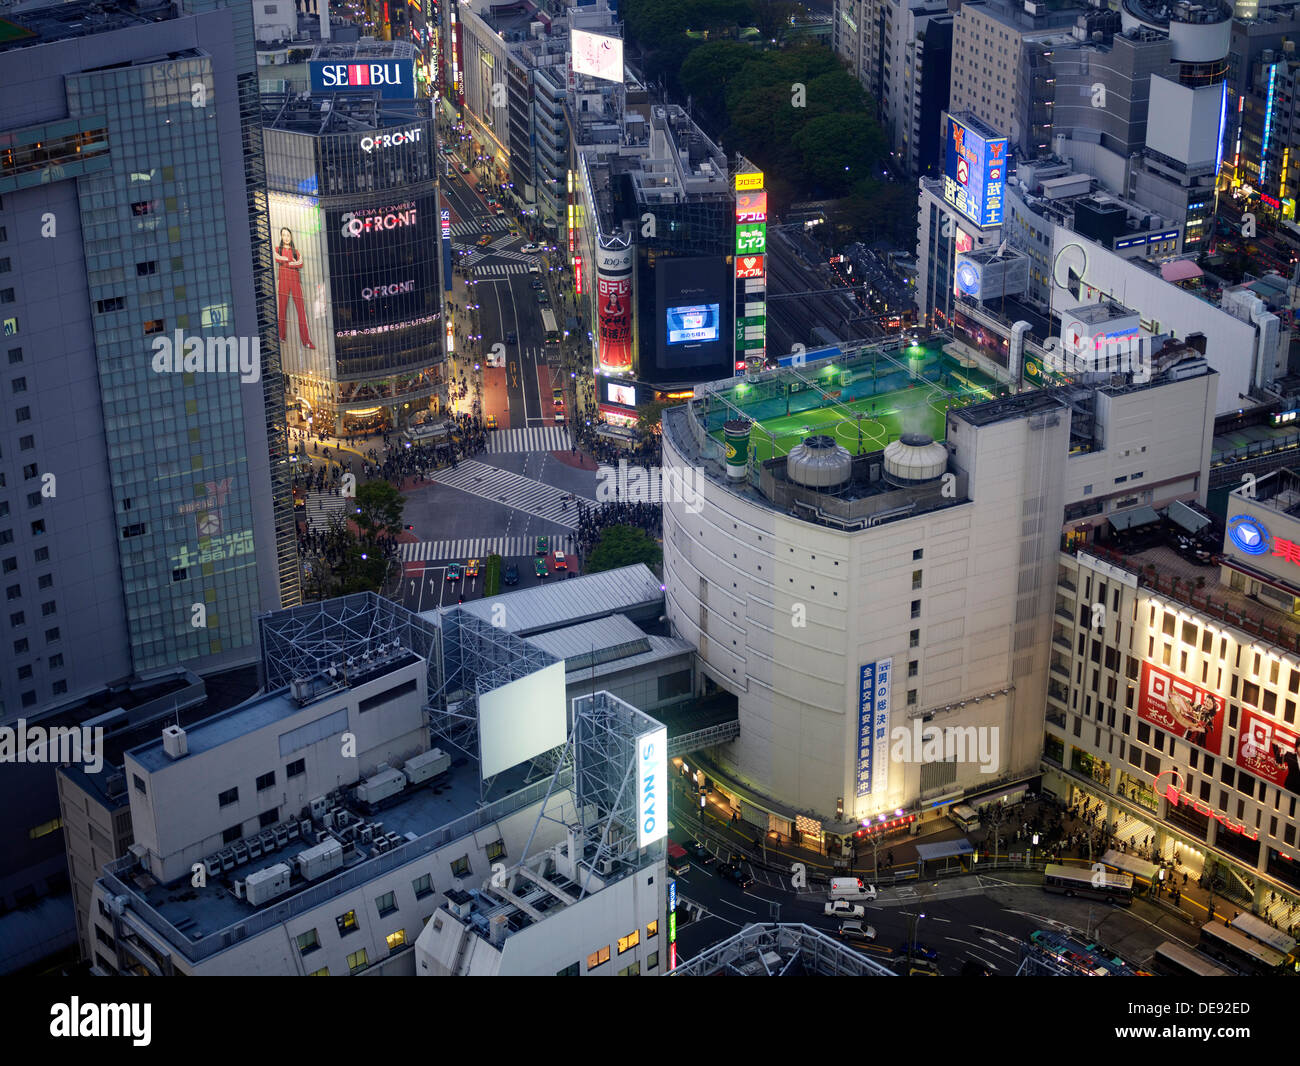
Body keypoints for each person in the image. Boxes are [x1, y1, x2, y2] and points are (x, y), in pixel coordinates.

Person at [274, 227, 315, 349]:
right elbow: (278, 258)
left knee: (301, 311)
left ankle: (306, 341)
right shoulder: (278, 249)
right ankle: (281, 336)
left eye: (288, 235)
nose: (286, 237)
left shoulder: (296, 251)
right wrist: (291, 262)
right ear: (281, 236)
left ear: (291, 237)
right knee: (282, 309)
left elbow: (300, 263)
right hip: (283, 281)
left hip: (295, 281)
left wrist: (287, 262)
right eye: (284, 235)